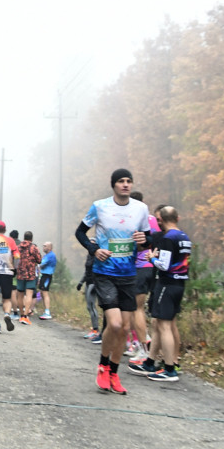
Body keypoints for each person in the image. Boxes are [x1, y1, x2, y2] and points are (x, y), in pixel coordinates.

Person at [75, 168, 151, 395]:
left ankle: (114, 373)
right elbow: (80, 232)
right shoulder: (100, 206)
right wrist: (94, 249)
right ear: (114, 185)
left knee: (125, 328)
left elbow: (148, 240)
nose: (125, 185)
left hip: (128, 274)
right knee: (115, 324)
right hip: (104, 272)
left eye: (129, 181)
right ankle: (102, 365)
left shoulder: (141, 209)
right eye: (121, 181)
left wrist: (144, 240)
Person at [130, 205, 190, 382]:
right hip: (180, 283)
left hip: (167, 283)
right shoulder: (184, 237)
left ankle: (170, 368)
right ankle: (150, 362)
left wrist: (151, 258)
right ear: (177, 218)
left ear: (161, 220)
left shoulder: (168, 238)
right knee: (159, 323)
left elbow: (163, 264)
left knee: (164, 326)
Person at [126, 190, 157, 359]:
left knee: (135, 309)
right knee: (144, 309)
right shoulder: (153, 219)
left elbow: (133, 245)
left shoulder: (135, 220)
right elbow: (159, 239)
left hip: (138, 266)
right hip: (153, 267)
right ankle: (145, 343)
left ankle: (142, 347)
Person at [15, 231, 41, 324]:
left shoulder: (18, 247)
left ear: (24, 237)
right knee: (29, 295)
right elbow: (39, 260)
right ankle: (25, 316)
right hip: (30, 274)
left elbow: (14, 258)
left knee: (20, 295)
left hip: (20, 274)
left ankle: (21, 315)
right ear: (31, 239)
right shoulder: (34, 248)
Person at [77, 251, 101, 342]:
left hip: (93, 283)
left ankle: (96, 330)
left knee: (92, 305)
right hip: (88, 282)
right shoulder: (89, 256)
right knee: (89, 307)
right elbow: (86, 271)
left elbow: (100, 270)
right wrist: (80, 282)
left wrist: (96, 284)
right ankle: (94, 329)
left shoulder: (97, 256)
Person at [38, 241, 56, 320]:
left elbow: (40, 264)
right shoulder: (46, 255)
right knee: (42, 292)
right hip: (43, 275)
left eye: (45, 246)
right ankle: (45, 311)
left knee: (45, 293)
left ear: (49, 247)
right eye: (43, 246)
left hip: (47, 276)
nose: (43, 247)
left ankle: (48, 312)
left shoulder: (51, 255)